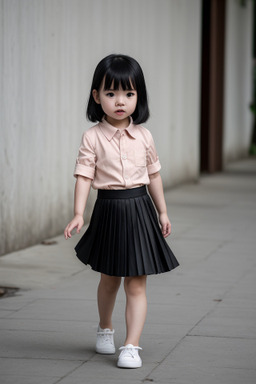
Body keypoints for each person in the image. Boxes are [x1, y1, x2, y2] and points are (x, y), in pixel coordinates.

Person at [64, 54, 179, 369]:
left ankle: (131, 345)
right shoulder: (92, 137)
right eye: (111, 93)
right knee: (110, 277)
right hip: (109, 209)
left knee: (137, 280)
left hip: (140, 208)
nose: (120, 101)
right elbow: (84, 176)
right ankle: (105, 327)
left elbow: (154, 175)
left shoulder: (144, 135)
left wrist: (163, 212)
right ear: (96, 96)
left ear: (138, 96)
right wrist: (78, 213)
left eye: (129, 93)